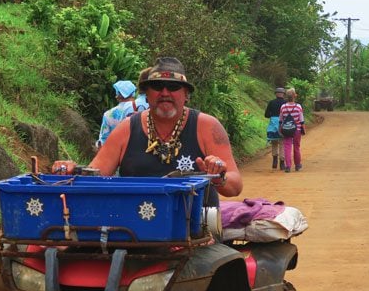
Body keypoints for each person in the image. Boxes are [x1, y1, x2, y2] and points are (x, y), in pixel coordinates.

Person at [53, 57, 243, 203]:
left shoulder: (207, 127)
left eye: (174, 87)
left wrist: (219, 175)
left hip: (195, 233)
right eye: (157, 86)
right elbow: (94, 176)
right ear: (146, 94)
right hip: (134, 231)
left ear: (186, 95)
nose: (165, 93)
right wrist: (70, 172)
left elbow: (235, 186)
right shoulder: (126, 129)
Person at [95, 80, 139, 149]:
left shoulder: (108, 114)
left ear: (117, 96)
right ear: (133, 94)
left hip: (115, 152)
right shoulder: (142, 110)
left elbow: (103, 140)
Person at [279, 87, 304, 173]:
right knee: (296, 147)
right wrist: (303, 129)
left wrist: (280, 129)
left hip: (286, 129)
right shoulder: (298, 107)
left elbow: (281, 120)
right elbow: (301, 120)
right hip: (296, 129)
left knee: (287, 146)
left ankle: (288, 166)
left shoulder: (283, 107)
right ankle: (297, 165)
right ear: (294, 96)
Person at [264, 86, 286, 170]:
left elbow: (266, 115)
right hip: (282, 125)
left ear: (276, 94)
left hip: (273, 125)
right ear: (283, 94)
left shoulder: (271, 102)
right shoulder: (285, 103)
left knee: (274, 143)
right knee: (282, 144)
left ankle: (274, 161)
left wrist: (272, 115)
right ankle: (282, 163)